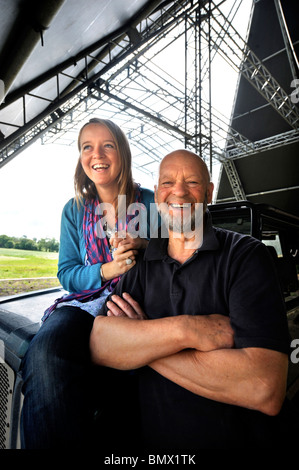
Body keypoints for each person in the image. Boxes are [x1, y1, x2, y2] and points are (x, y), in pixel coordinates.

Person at [90, 149, 295, 449]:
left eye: (192, 182)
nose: (179, 192)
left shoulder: (246, 256)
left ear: (209, 193)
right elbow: (101, 344)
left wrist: (144, 338)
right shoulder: (142, 265)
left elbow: (263, 387)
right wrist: (189, 330)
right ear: (158, 194)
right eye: (167, 182)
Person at [21, 118, 155, 449]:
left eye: (107, 144)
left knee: (129, 389)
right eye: (87, 147)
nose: (97, 154)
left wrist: (144, 245)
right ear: (81, 157)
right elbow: (67, 273)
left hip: (142, 300)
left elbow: (179, 251)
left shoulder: (150, 201)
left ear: (121, 152)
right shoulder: (74, 209)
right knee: (46, 353)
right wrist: (107, 269)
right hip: (87, 302)